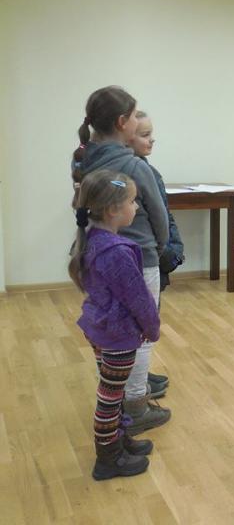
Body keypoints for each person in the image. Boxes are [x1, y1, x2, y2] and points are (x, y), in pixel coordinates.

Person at [71, 86, 172, 434]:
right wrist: (160, 249)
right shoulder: (133, 165)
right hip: (140, 256)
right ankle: (136, 405)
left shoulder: (82, 157)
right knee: (139, 333)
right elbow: (159, 214)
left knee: (118, 331)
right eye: (133, 117)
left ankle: (128, 388)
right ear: (122, 122)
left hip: (98, 252)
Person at [68, 169, 161, 480]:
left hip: (100, 329)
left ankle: (119, 440)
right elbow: (139, 299)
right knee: (110, 397)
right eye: (132, 201)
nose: (136, 207)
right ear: (112, 209)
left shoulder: (93, 239)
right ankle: (108, 457)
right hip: (117, 335)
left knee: (114, 391)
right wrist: (152, 328)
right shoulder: (117, 252)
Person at [129, 111, 185, 296]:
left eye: (151, 134)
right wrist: (165, 251)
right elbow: (159, 219)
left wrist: (173, 251)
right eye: (145, 135)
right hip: (146, 256)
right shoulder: (139, 173)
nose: (152, 139)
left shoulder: (150, 172)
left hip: (156, 256)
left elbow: (165, 216)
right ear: (127, 138)